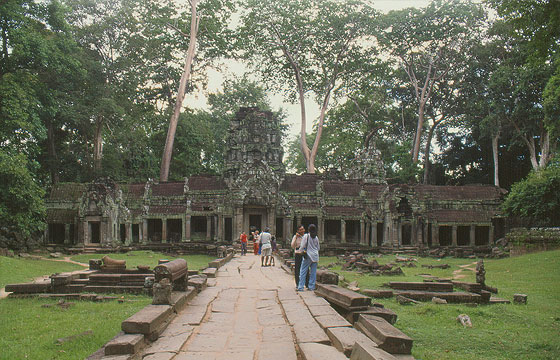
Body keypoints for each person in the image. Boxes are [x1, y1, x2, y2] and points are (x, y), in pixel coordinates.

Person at [297, 224, 320, 291]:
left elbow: (302, 245)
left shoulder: (306, 236)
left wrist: (300, 251)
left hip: (308, 255)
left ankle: (301, 287)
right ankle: (311, 286)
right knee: (313, 272)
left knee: (303, 271)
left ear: (308, 230)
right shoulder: (316, 237)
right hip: (315, 256)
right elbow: (318, 248)